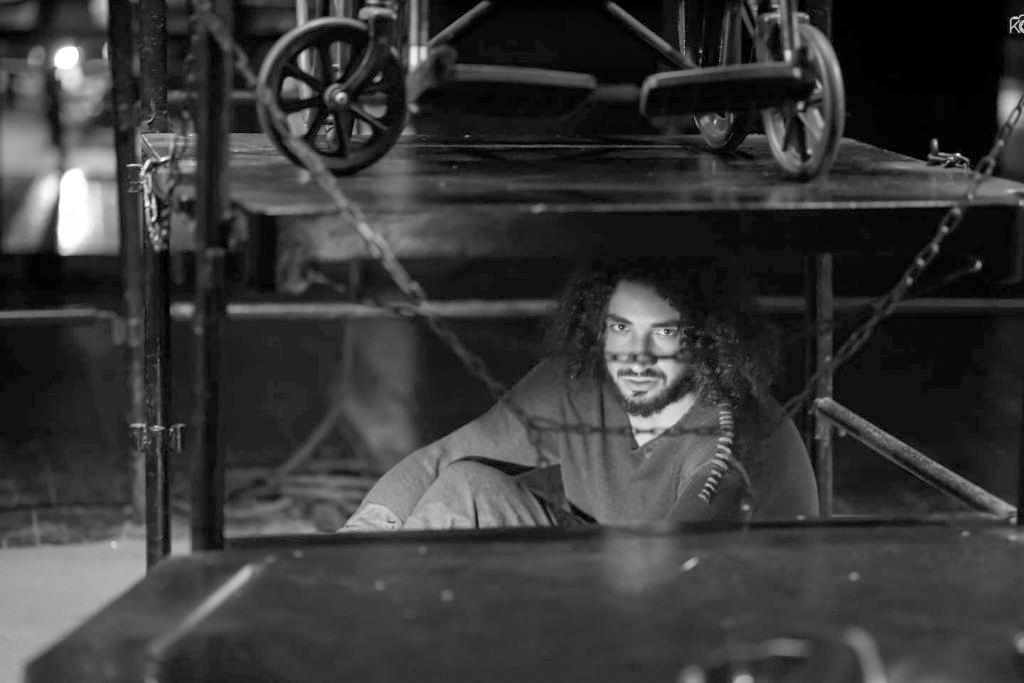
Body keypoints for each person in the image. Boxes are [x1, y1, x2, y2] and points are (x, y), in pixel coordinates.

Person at [341, 257, 818, 531]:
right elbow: (439, 461)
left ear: (707, 339)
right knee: (465, 486)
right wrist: (357, 545)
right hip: (615, 571)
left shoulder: (729, 433)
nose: (637, 357)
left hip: (725, 612)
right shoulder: (577, 385)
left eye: (664, 333)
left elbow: (678, 566)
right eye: (621, 328)